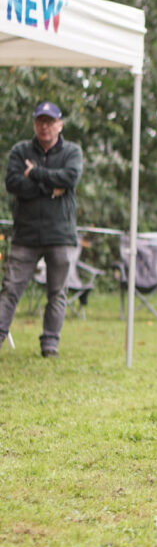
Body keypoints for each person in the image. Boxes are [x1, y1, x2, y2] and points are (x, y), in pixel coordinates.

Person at [0, 100, 83, 358]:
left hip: (60, 234)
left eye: (49, 121)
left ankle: (50, 345)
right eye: (40, 121)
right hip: (26, 234)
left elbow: (70, 178)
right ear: (34, 123)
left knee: (57, 293)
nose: (44, 126)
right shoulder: (20, 150)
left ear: (59, 124)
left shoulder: (72, 151)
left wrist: (35, 174)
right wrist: (49, 186)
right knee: (10, 289)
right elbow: (13, 184)